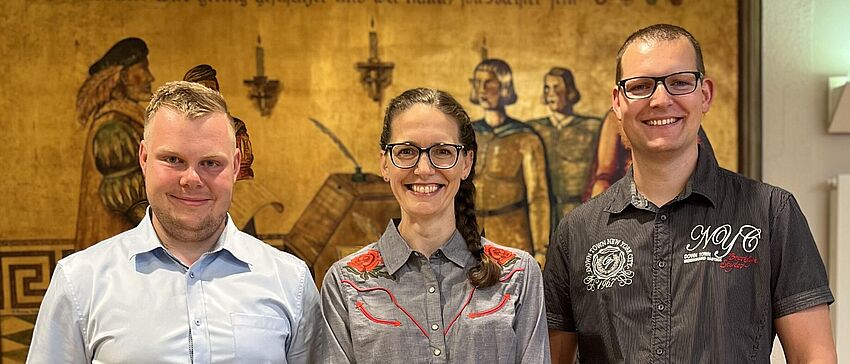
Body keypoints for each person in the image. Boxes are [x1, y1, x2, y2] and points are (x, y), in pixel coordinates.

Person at [544, 24, 836, 363]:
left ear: (705, 94)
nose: (660, 100)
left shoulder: (772, 213)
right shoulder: (577, 230)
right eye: (640, 86)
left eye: (679, 82)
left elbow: (812, 355)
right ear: (618, 103)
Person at [29, 81, 322, 363]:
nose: (191, 179)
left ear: (235, 166)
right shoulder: (80, 281)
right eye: (173, 160)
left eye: (210, 163)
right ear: (144, 159)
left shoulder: (290, 281)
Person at [321, 88, 549, 363]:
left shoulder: (518, 273)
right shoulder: (345, 282)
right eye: (406, 151)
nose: (424, 168)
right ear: (384, 164)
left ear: (466, 163)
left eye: (442, 151)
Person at [75, 37, 155, 250]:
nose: (150, 77)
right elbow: (126, 197)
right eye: (144, 69)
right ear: (125, 76)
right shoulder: (113, 127)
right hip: (118, 256)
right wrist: (171, 239)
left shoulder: (125, 120)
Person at [469, 59, 551, 265]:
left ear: (504, 86)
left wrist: (541, 249)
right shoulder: (466, 135)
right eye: (477, 83)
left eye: (489, 83)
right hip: (468, 236)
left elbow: (538, 197)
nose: (482, 90)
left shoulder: (525, 138)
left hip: (513, 236)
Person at [527, 67, 603, 224]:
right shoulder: (533, 129)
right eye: (547, 88)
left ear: (569, 91)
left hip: (581, 211)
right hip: (546, 215)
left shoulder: (592, 128)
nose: (551, 94)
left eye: (557, 88)